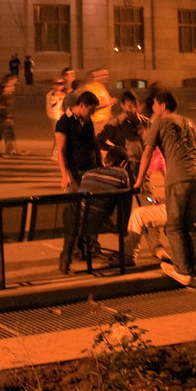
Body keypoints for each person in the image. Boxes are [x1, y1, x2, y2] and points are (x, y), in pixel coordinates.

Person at [134, 89, 196, 287]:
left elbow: (147, 153)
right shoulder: (189, 122)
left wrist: (138, 180)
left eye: (154, 105)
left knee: (175, 226)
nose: (152, 108)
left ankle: (182, 270)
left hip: (178, 178)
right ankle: (195, 270)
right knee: (191, 225)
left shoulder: (159, 123)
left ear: (162, 106)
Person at [59, 146, 131, 274]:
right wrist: (122, 226)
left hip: (76, 219)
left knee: (76, 215)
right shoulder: (122, 174)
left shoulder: (89, 173)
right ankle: (122, 253)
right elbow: (124, 202)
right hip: (96, 223)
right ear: (123, 163)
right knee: (98, 213)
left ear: (105, 161)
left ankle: (67, 256)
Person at [95, 89, 150, 184]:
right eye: (130, 107)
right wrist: (115, 150)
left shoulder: (146, 122)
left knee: (147, 195)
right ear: (122, 105)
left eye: (136, 106)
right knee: (125, 195)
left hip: (142, 167)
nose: (134, 110)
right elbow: (98, 141)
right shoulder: (114, 124)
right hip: (123, 167)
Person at [55, 90, 100, 191]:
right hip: (76, 170)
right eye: (90, 110)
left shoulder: (87, 120)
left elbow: (94, 142)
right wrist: (64, 175)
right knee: (75, 202)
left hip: (91, 169)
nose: (92, 113)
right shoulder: (64, 122)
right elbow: (61, 150)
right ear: (81, 105)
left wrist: (99, 163)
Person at [0, 75, 17, 157]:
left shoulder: (6, 95)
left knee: (9, 134)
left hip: (5, 117)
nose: (13, 88)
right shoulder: (1, 96)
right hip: (1, 117)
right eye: (10, 86)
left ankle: (10, 150)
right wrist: (6, 114)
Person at [45, 77, 66, 157]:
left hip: (61, 117)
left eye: (61, 84)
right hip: (55, 117)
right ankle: (55, 153)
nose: (59, 86)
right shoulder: (50, 95)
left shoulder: (63, 95)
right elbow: (52, 105)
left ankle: (57, 152)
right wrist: (57, 96)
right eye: (57, 84)